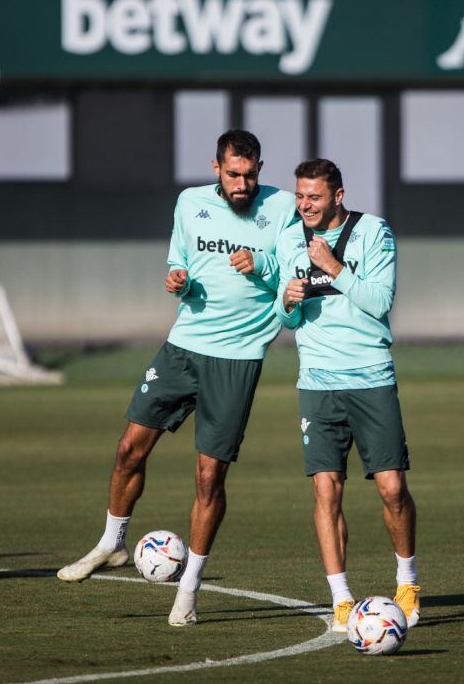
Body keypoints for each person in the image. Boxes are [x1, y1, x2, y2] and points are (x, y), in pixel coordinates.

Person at [57, 130, 297, 627]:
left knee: (209, 477)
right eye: (233, 173)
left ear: (260, 170)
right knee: (128, 448)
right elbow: (179, 259)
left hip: (237, 357)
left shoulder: (283, 208)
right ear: (216, 168)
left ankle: (187, 591)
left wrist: (263, 263)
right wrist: (177, 278)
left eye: (250, 174)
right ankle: (112, 543)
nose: (242, 183)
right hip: (183, 347)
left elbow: (294, 270)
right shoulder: (189, 203)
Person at [274, 158, 420, 633]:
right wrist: (288, 302)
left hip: (371, 376)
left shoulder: (374, 232)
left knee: (393, 489)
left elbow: (379, 302)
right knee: (325, 491)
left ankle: (407, 582)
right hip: (317, 380)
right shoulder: (289, 238)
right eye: (299, 197)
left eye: (313, 197)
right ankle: (340, 599)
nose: (304, 206)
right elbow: (286, 321)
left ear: (338, 195)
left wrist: (332, 266)